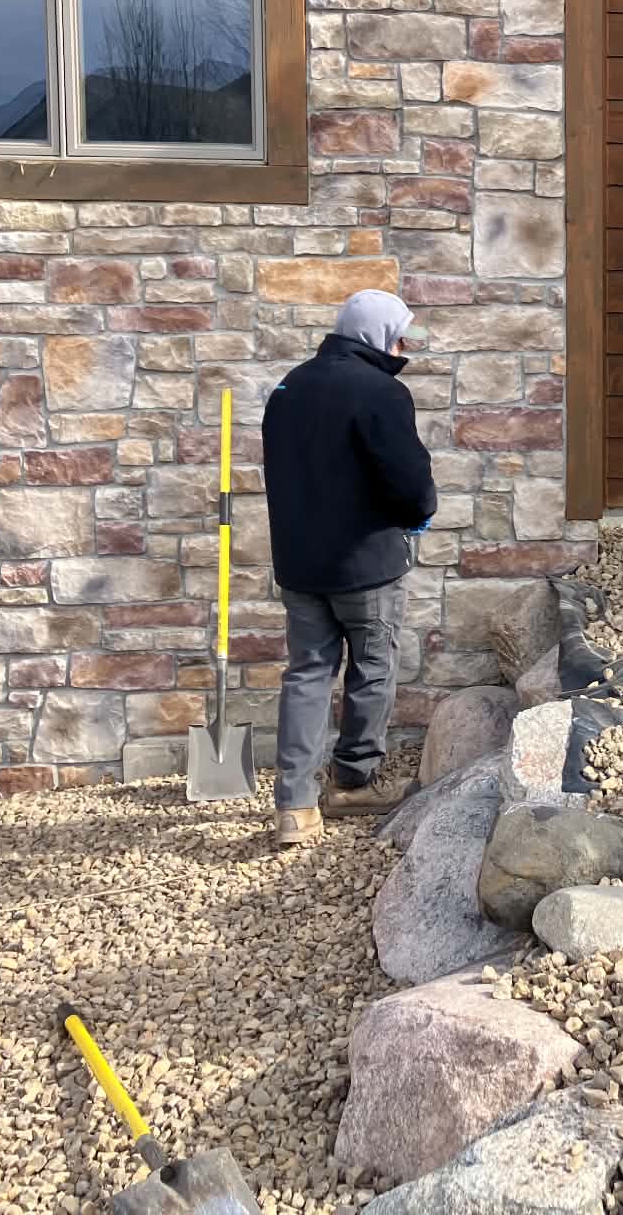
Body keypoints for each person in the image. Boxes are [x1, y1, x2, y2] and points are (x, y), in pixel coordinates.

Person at [262, 289, 437, 848]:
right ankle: (353, 781)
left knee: (307, 674)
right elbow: (409, 480)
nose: (403, 344)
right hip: (366, 564)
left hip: (300, 563)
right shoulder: (381, 391)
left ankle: (295, 805)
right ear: (379, 335)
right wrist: (420, 512)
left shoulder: (288, 388)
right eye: (399, 334)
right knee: (373, 666)